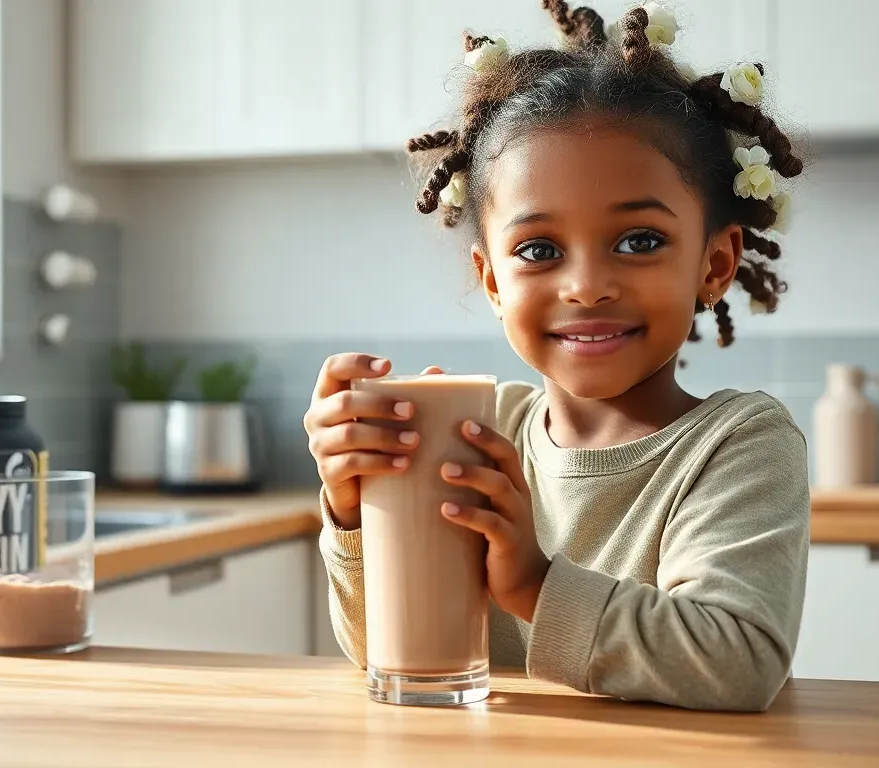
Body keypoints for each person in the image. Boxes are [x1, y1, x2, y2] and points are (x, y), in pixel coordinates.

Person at [303, 0, 809, 712]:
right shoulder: (482, 430)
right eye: (539, 251)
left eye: (638, 241)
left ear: (716, 263)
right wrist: (357, 511)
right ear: (492, 282)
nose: (587, 287)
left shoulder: (739, 445)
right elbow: (386, 656)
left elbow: (737, 662)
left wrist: (534, 585)